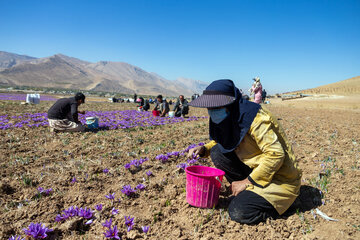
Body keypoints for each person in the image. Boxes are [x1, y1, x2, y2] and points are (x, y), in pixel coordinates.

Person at [188, 79, 301, 224]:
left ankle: (285, 204)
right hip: (257, 170)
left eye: (216, 107)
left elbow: (276, 155)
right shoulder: (232, 116)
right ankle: (247, 190)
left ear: (231, 103)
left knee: (239, 211)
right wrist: (205, 148)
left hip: (279, 179)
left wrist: (246, 181)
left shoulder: (255, 118)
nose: (212, 112)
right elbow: (224, 140)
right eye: (210, 108)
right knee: (217, 151)